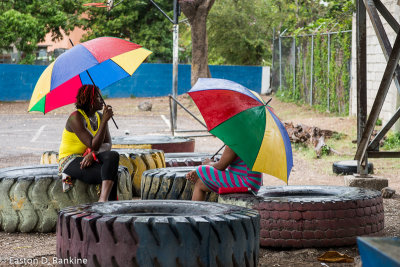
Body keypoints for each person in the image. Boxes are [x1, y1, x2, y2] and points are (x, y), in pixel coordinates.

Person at [58, 84, 119, 202]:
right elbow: (93, 144)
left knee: (113, 156)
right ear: (89, 100)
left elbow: (108, 145)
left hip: (89, 155)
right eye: (98, 97)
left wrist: (93, 154)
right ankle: (107, 203)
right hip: (70, 160)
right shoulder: (75, 118)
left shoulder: (99, 116)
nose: (102, 100)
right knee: (109, 173)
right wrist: (105, 122)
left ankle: (104, 201)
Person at [186, 145, 262, 201]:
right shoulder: (249, 137)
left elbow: (221, 166)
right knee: (200, 183)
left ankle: (195, 218)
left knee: (202, 169)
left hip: (246, 183)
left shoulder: (236, 139)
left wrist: (208, 164)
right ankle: (196, 218)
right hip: (254, 182)